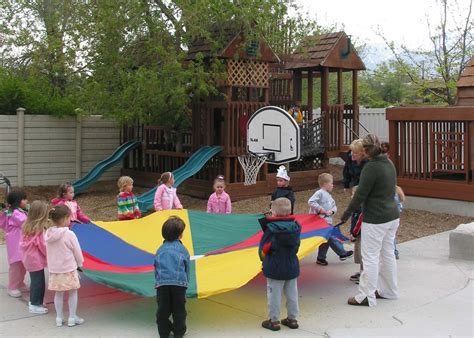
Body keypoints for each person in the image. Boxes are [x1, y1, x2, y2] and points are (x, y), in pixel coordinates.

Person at [340, 134, 400, 307]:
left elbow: (359, 195)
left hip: (376, 219)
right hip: (392, 217)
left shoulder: (371, 168)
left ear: (365, 151)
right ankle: (389, 291)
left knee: (370, 257)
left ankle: (366, 296)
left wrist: (345, 215)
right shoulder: (389, 163)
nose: (353, 156)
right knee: (387, 254)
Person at [259, 198, 301, 331]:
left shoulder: (271, 229)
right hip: (291, 266)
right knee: (292, 294)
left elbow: (264, 249)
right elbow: (297, 247)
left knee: (274, 295)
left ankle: (274, 321)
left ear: (274, 213)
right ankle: (292, 319)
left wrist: (263, 260)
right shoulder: (296, 227)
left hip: (275, 267)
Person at [45, 205, 85, 327]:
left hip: (55, 270)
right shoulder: (69, 234)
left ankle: (59, 317)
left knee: (59, 293)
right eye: (69, 217)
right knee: (73, 292)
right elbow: (77, 251)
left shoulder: (48, 234)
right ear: (64, 219)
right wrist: (80, 263)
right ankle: (72, 318)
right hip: (68, 269)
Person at [154, 216, 190, 338]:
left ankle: (164, 333)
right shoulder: (183, 250)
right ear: (180, 235)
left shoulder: (159, 250)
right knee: (179, 311)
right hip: (179, 285)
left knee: (162, 311)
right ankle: (179, 333)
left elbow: (156, 269)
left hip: (162, 285)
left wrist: (158, 283)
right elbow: (187, 269)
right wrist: (186, 285)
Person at [308, 173, 353, 265]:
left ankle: (321, 258)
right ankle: (342, 253)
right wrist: (321, 209)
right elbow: (311, 201)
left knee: (326, 240)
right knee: (330, 236)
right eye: (331, 183)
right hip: (319, 221)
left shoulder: (329, 196)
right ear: (325, 184)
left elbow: (334, 207)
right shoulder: (319, 193)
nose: (333, 185)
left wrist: (332, 212)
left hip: (327, 221)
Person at [20, 200, 49, 314]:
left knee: (36, 281)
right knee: (38, 282)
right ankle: (35, 304)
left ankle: (36, 301)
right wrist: (50, 254)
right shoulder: (39, 229)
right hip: (35, 260)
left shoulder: (28, 226)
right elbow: (43, 246)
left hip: (29, 259)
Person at [0, 190, 28, 298]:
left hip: (20, 240)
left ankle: (19, 283)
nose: (26, 201)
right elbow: (25, 222)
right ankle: (12, 287)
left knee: (22, 264)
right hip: (15, 242)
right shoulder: (15, 213)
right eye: (24, 199)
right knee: (16, 265)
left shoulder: (15, 211)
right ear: (18, 201)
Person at [394, 185, 405, 260]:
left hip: (390, 217)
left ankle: (394, 252)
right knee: (392, 236)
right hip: (396, 218)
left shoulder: (392, 192)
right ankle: (395, 252)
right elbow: (400, 206)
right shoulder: (398, 189)